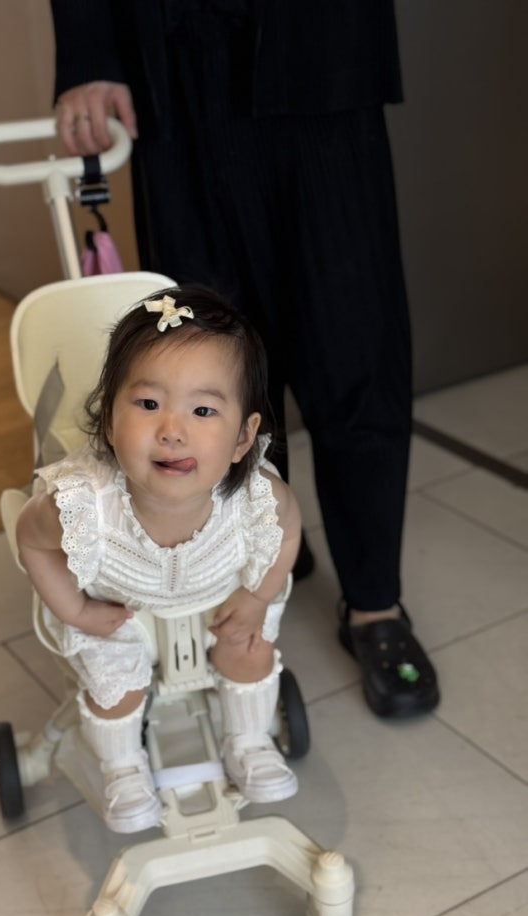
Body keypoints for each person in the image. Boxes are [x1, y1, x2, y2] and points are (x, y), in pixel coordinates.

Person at [48, 0, 440, 719]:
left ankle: (374, 603)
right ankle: (250, 565)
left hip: (323, 56)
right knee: (206, 360)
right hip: (175, 62)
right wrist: (88, 54)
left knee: (356, 344)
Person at [16, 284, 302, 833]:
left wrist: (257, 595)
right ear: (108, 419)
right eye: (148, 405)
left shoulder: (255, 497)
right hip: (118, 611)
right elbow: (31, 541)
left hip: (220, 600)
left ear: (243, 437)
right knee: (114, 682)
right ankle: (122, 767)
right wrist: (76, 610)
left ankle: (248, 741)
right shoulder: (83, 506)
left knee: (250, 648)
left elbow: (288, 534)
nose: (172, 431)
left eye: (203, 410)